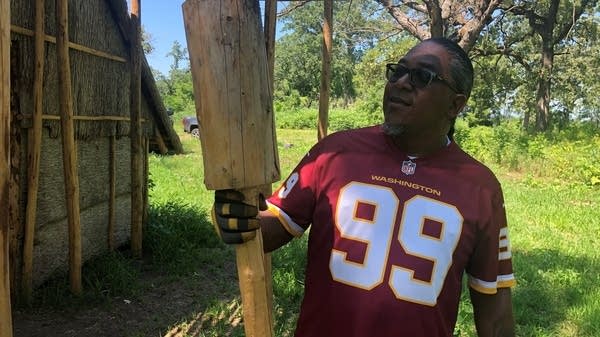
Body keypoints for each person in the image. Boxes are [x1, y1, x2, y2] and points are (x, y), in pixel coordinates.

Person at [212, 37, 516, 337]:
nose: (401, 83)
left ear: (455, 104)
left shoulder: (480, 188)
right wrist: (231, 215)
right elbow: (269, 228)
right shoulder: (334, 153)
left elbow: (496, 314)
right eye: (398, 71)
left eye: (422, 76)